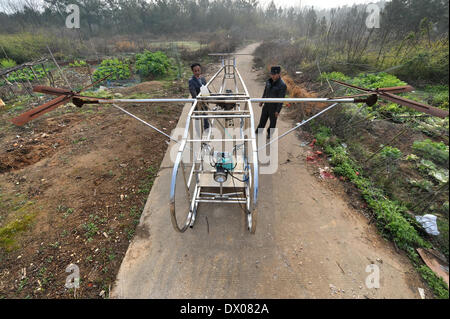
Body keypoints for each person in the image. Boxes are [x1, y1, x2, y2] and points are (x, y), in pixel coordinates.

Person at [256, 65, 287, 139]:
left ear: (279, 74)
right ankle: (259, 130)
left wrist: (278, 111)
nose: (272, 76)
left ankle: (270, 133)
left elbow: (281, 99)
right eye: (271, 74)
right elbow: (265, 91)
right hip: (266, 104)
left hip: (274, 106)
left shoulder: (282, 85)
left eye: (274, 74)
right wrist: (262, 100)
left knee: (272, 122)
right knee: (263, 119)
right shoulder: (268, 81)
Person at [188, 63, 209, 130]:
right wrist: (197, 99)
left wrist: (210, 95)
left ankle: (206, 128)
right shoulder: (191, 81)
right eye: (195, 71)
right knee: (197, 117)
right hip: (197, 102)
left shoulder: (202, 78)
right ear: (193, 71)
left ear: (200, 70)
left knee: (205, 115)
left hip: (205, 101)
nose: (197, 72)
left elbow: (206, 88)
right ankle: (197, 131)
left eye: (198, 70)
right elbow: (193, 92)